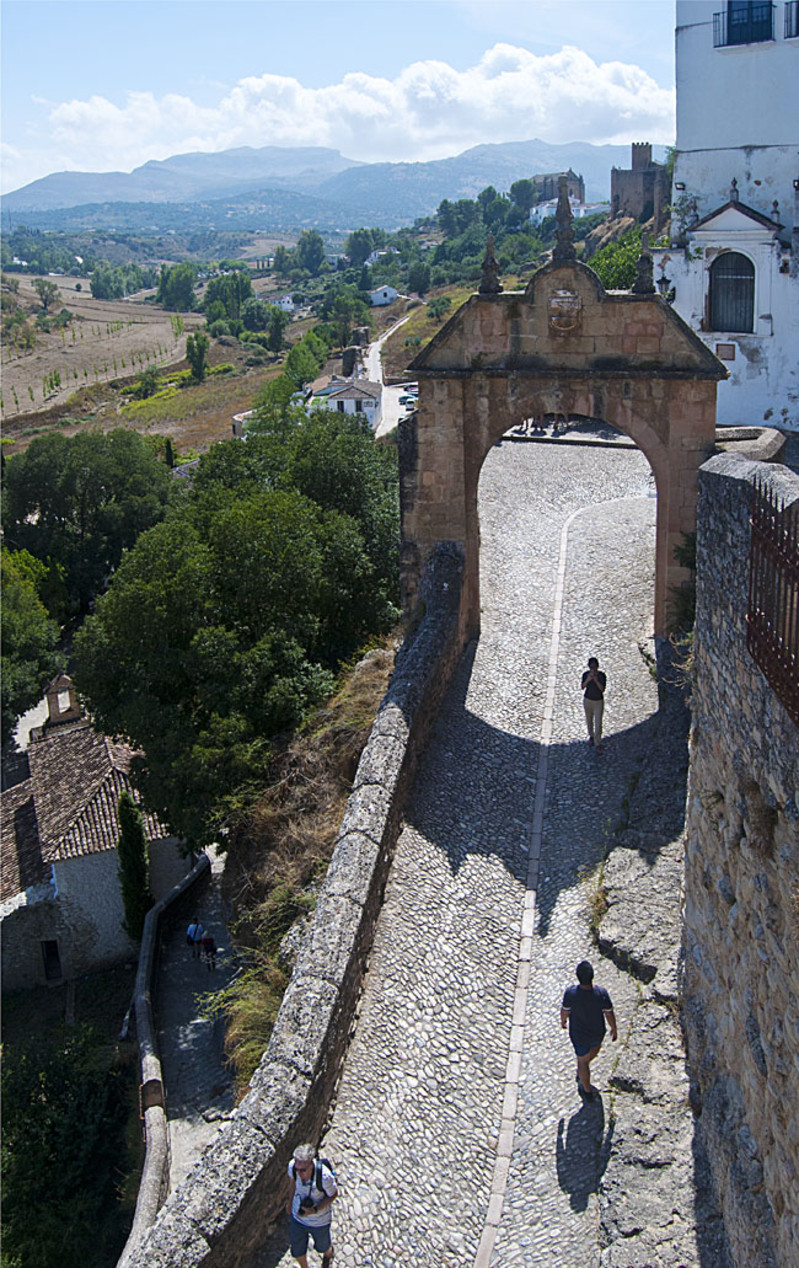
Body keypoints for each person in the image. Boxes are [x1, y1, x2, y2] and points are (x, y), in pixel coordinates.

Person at [560, 959, 617, 1100]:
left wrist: (563, 1021)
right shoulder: (601, 993)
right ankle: (586, 1087)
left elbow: (565, 1010)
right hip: (597, 1032)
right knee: (590, 1055)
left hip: (578, 1034)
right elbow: (608, 1013)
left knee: (583, 1061)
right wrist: (614, 1028)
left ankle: (584, 1084)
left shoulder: (571, 994)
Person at [286, 1142, 337, 1267]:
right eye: (297, 1169)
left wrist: (314, 1210)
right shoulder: (293, 1167)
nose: (299, 1173)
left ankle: (328, 1254)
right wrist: (290, 1202)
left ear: (311, 1165)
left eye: (302, 1170)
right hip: (298, 1217)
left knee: (323, 1246)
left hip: (319, 1222)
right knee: (297, 1251)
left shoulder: (324, 1177)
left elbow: (333, 1195)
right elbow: (292, 1183)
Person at [581, 656, 606, 752]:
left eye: (594, 667)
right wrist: (588, 679)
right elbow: (583, 686)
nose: (593, 669)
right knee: (589, 720)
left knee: (598, 722)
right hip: (588, 700)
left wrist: (596, 680)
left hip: (598, 701)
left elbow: (602, 689)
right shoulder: (585, 674)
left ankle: (598, 742)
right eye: (591, 667)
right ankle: (591, 736)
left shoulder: (602, 676)